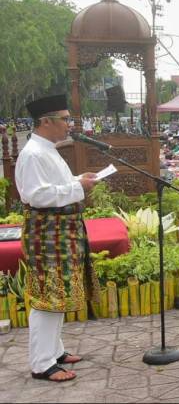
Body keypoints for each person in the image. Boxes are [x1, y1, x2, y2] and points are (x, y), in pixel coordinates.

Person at [18, 94, 101, 383]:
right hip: (47, 235)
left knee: (59, 293)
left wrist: (78, 181)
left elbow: (53, 186)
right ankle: (42, 364)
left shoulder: (48, 149)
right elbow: (36, 195)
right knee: (47, 297)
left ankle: (54, 352)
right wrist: (78, 188)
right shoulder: (32, 153)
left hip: (60, 232)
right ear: (45, 122)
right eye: (65, 119)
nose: (70, 124)